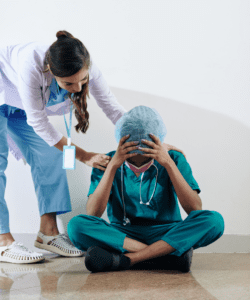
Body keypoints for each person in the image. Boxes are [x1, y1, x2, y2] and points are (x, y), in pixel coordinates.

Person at [0, 31, 182, 264]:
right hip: (4, 88)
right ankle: (2, 240)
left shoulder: (88, 68)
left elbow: (112, 108)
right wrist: (84, 156)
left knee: (51, 155)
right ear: (50, 71)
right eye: (68, 83)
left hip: (20, 104)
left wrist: (149, 139)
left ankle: (48, 233)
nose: (76, 88)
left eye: (82, 81)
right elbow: (38, 121)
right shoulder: (30, 66)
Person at [67, 106, 225, 273]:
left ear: (157, 141)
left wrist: (168, 164)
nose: (139, 158)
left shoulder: (173, 158)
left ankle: (129, 259)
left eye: (147, 152)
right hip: (123, 234)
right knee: (76, 226)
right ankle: (165, 257)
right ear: (122, 141)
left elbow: (194, 208)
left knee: (214, 221)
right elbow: (92, 213)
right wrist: (113, 166)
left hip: (167, 232)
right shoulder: (105, 162)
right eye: (131, 153)